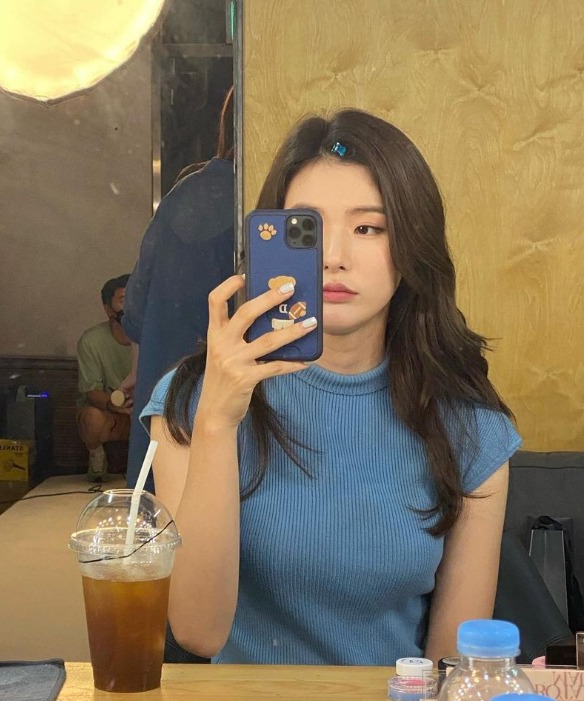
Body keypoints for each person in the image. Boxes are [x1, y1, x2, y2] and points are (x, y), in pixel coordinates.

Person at [141, 109, 521, 666]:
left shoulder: (471, 427)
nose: (335, 258)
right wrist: (217, 422)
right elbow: (199, 631)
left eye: (369, 228)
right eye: (307, 230)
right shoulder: (190, 399)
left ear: (412, 246)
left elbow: (453, 665)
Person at [122, 86, 235, 491]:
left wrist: (149, 361)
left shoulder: (180, 195)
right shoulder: (269, 199)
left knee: (163, 519)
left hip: (165, 391)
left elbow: (134, 311)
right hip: (232, 403)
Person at [76, 274, 133, 482]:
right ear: (108, 309)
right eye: (124, 300)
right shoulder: (92, 341)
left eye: (136, 298)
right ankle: (97, 456)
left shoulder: (153, 336)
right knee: (92, 418)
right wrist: (115, 404)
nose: (131, 306)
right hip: (113, 412)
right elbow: (91, 391)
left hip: (147, 410)